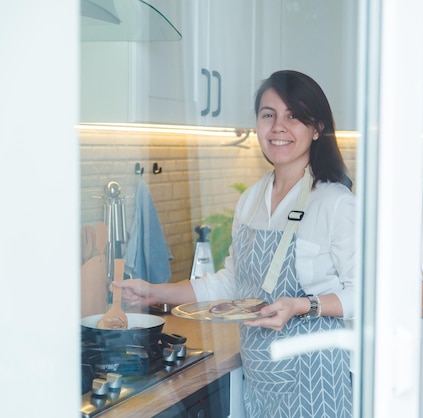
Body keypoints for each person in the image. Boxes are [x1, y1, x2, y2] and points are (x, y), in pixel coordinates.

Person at [114, 70, 355, 417]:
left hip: (314, 381)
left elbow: (365, 294)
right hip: (261, 379)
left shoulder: (335, 202)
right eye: (268, 115)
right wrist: (155, 293)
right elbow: (231, 282)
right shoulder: (252, 200)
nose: (278, 127)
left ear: (316, 128)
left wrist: (301, 306)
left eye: (294, 116)